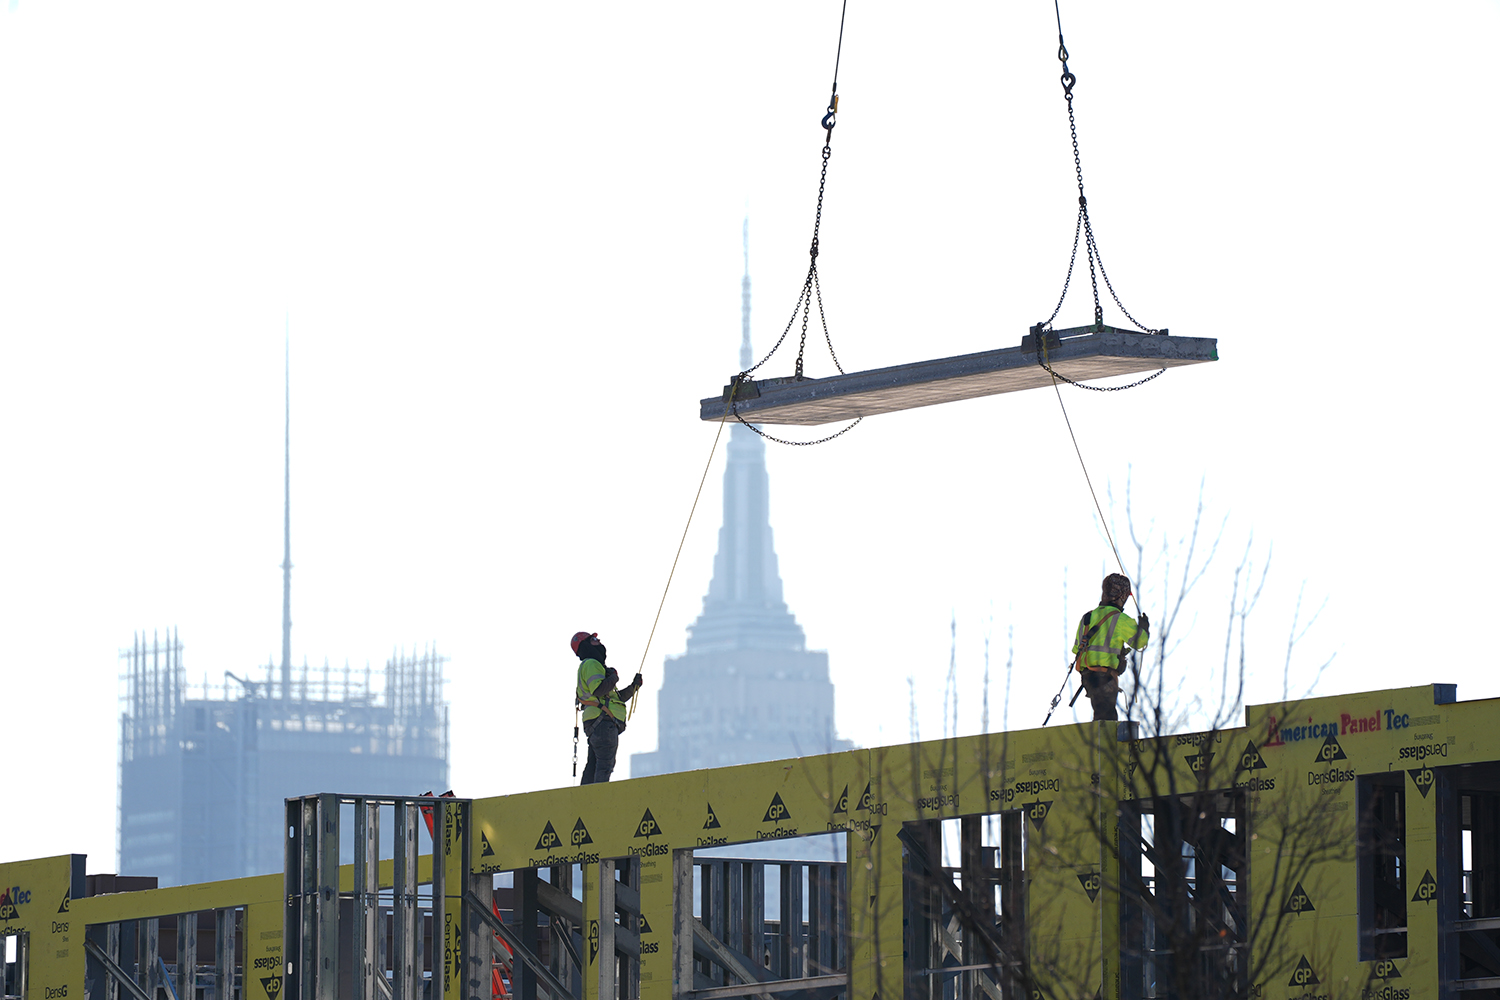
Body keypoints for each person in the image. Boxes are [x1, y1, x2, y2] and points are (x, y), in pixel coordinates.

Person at [1072, 573, 1150, 722]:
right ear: (1123, 596)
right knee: (1107, 720)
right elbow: (1140, 642)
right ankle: (1102, 744)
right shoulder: (1120, 619)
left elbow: (1077, 650)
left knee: (1101, 714)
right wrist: (1144, 627)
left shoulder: (1087, 617)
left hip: (1087, 677)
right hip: (1106, 677)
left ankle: (1098, 740)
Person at [571, 631, 643, 785]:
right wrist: (614, 677)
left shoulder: (595, 667)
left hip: (598, 721)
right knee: (605, 765)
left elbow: (614, 698)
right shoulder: (591, 664)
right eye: (594, 639)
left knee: (593, 765)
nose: (599, 641)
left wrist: (633, 687)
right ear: (586, 645)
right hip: (602, 722)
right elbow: (599, 690)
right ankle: (598, 799)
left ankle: (584, 799)